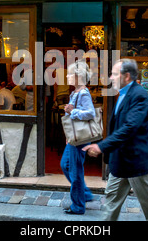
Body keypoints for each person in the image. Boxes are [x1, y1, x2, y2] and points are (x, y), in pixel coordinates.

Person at [83, 59, 148, 221]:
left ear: (126, 76)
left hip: (136, 162)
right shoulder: (122, 94)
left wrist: (101, 146)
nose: (111, 78)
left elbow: (129, 128)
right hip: (120, 161)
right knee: (111, 201)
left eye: (114, 74)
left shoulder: (140, 95)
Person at [61, 60, 95, 215]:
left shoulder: (83, 93)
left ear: (78, 76)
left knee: (75, 170)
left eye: (70, 74)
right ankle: (85, 193)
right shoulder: (75, 93)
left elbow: (90, 113)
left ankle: (78, 205)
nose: (67, 76)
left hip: (80, 138)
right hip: (74, 137)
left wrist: (72, 111)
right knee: (65, 165)